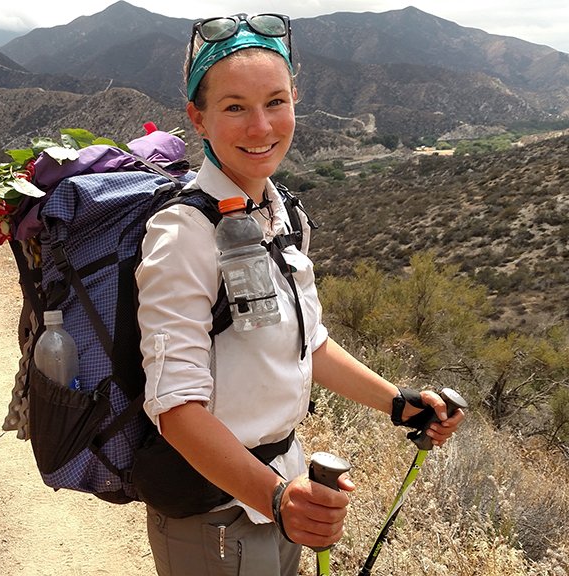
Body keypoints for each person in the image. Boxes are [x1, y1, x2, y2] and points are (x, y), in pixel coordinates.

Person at [134, 12, 465, 576]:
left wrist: (397, 401)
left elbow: (309, 343)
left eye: (276, 102)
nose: (261, 127)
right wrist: (275, 499)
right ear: (199, 118)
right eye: (235, 107)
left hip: (284, 491)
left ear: (295, 102)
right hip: (216, 510)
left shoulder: (280, 211)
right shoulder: (182, 234)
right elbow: (176, 410)